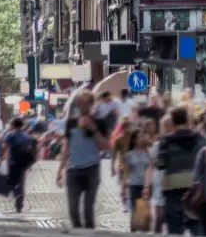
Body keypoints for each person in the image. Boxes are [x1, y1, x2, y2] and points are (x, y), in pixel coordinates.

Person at [57, 90, 110, 228]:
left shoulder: (100, 123)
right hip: (73, 171)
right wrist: (60, 170)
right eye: (78, 103)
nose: (80, 106)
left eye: (83, 103)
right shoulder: (71, 123)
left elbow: (105, 146)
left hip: (91, 169)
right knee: (73, 211)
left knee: (88, 211)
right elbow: (66, 147)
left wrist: (93, 129)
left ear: (91, 104)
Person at [157, 105, 206, 235]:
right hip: (195, 186)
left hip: (173, 186)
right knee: (196, 222)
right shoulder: (201, 139)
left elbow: (160, 164)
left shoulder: (165, 141)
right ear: (187, 120)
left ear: (172, 121)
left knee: (174, 226)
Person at [0, 117, 37, 213]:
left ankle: (16, 194)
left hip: (13, 162)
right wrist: (30, 164)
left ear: (13, 125)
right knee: (21, 182)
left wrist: (2, 157)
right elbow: (32, 151)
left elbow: (4, 146)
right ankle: (19, 203)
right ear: (22, 126)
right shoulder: (27, 136)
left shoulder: (10, 134)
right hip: (24, 163)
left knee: (12, 181)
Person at [145, 114, 174, 234]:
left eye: (170, 125)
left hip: (173, 183)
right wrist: (147, 185)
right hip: (159, 183)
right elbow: (150, 166)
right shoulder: (157, 145)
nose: (167, 128)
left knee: (171, 219)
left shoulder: (177, 144)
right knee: (159, 217)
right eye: (165, 125)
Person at [122, 130, 149, 214]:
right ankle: (134, 227)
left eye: (142, 137)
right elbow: (126, 171)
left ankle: (143, 227)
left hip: (146, 186)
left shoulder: (148, 153)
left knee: (143, 212)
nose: (140, 139)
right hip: (134, 185)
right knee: (135, 211)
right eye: (138, 138)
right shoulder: (129, 155)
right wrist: (123, 187)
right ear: (134, 140)